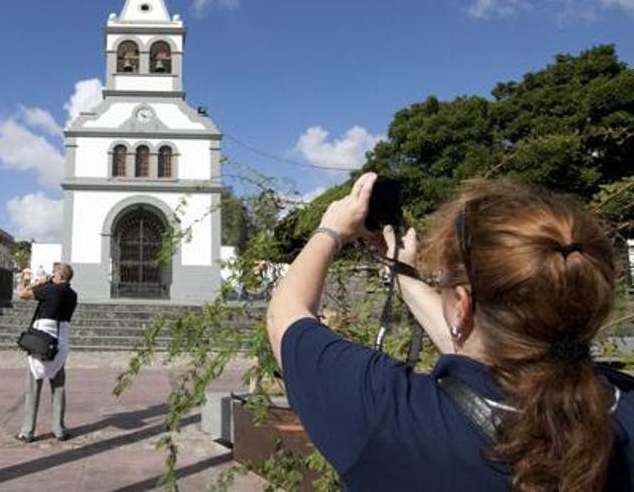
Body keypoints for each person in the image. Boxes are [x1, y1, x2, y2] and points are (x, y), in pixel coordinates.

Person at [267, 172, 634, 491]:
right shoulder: (621, 408)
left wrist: (330, 230)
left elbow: (285, 317)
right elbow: (485, 344)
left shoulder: (389, 416)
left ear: (462, 304)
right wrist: (405, 275)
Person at [16, 262, 78, 443]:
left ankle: (27, 431)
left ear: (60, 276)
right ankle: (59, 428)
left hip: (41, 342)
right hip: (60, 344)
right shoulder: (73, 295)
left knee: (33, 387)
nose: (51, 275)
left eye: (54, 273)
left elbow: (23, 294)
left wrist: (41, 282)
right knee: (58, 387)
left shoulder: (51, 289)